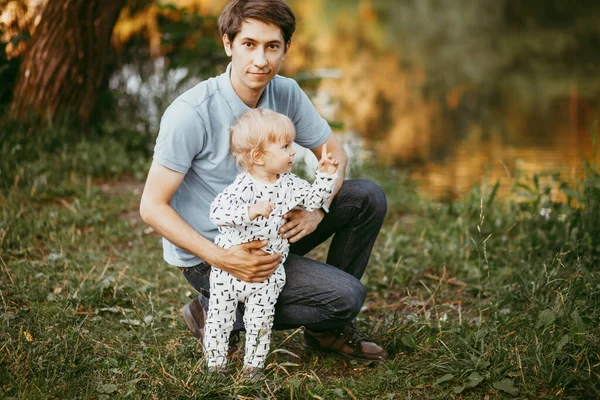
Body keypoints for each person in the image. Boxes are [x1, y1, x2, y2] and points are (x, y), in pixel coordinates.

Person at [139, 0, 388, 366]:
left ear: (285, 49)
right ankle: (214, 310)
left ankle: (324, 332)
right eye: (249, 44)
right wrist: (224, 259)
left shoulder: (285, 93)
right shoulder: (189, 113)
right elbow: (151, 207)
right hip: (214, 251)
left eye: (272, 46)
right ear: (228, 45)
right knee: (345, 297)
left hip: (274, 230)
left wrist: (317, 209)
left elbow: (335, 155)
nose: (261, 59)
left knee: (366, 196)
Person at [205, 108, 338, 378]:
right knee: (220, 318)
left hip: (268, 272)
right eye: (286, 146)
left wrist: (324, 176)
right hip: (229, 271)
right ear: (258, 156)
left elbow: (313, 201)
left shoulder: (290, 184)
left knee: (261, 320)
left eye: (292, 145)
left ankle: (253, 367)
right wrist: (249, 211)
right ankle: (215, 364)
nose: (293, 152)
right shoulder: (242, 187)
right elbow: (217, 213)